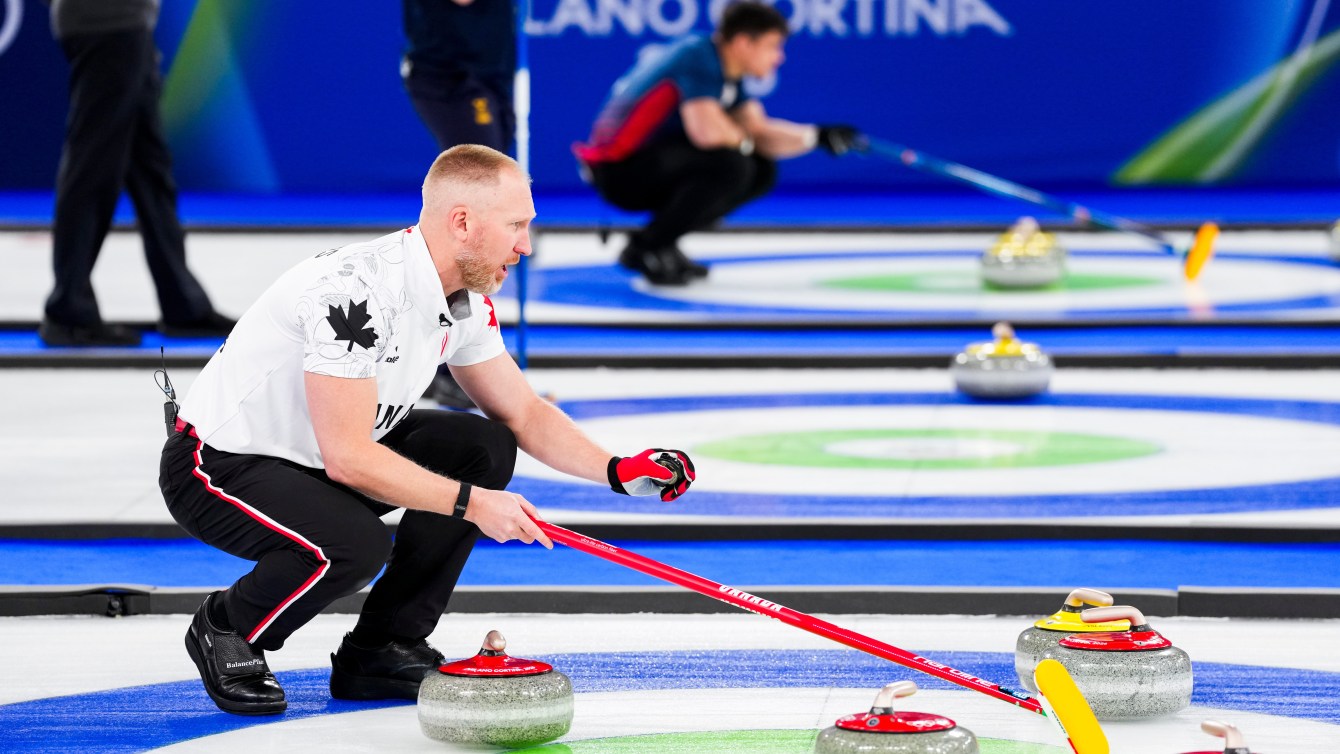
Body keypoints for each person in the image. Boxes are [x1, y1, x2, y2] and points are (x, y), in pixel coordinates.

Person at [158, 145, 695, 715]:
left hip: (319, 456)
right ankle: (228, 626)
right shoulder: (354, 294)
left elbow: (524, 413)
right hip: (218, 466)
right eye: (516, 225)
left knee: (483, 446)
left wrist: (616, 471)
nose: (526, 246)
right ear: (462, 222)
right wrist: (473, 505)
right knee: (353, 546)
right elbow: (348, 459)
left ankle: (382, 649)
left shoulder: (464, 302)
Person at [575, 1, 863, 286]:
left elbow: (757, 132)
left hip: (648, 164)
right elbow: (708, 133)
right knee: (732, 166)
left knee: (761, 169)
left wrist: (816, 136)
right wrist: (746, 138)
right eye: (772, 46)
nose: (779, 58)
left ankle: (664, 240)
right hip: (619, 174)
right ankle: (645, 248)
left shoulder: (726, 71)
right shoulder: (699, 58)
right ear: (743, 43)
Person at [41, 0, 234, 347]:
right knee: (92, 170)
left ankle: (183, 304)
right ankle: (68, 310)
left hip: (127, 25)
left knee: (151, 172)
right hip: (107, 24)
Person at [400, 0, 518, 408]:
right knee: (478, 210)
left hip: (489, 76)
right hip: (452, 77)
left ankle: (460, 354)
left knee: (486, 206)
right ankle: (439, 362)